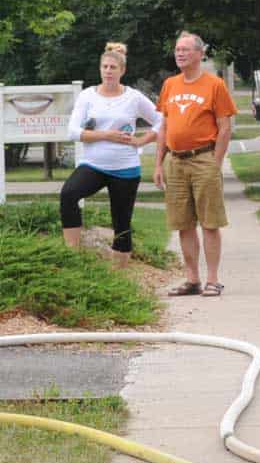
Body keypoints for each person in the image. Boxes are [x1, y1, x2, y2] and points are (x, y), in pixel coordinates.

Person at [61, 43, 162, 267]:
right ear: (100, 69)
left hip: (125, 168)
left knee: (121, 222)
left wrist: (141, 140)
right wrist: (106, 135)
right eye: (104, 67)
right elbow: (73, 132)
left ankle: (120, 275)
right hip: (93, 165)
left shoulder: (133, 97)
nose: (108, 71)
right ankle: (72, 256)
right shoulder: (88, 96)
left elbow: (162, 120)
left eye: (113, 67)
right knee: (68, 194)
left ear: (122, 70)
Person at [153, 31, 237, 297]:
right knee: (183, 223)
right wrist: (158, 164)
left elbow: (225, 127)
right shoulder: (170, 85)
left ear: (200, 54)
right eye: (177, 49)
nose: (180, 53)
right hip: (175, 161)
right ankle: (192, 279)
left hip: (204, 159)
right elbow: (164, 127)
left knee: (210, 222)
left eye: (185, 49)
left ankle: (212, 280)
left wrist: (216, 162)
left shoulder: (214, 85)